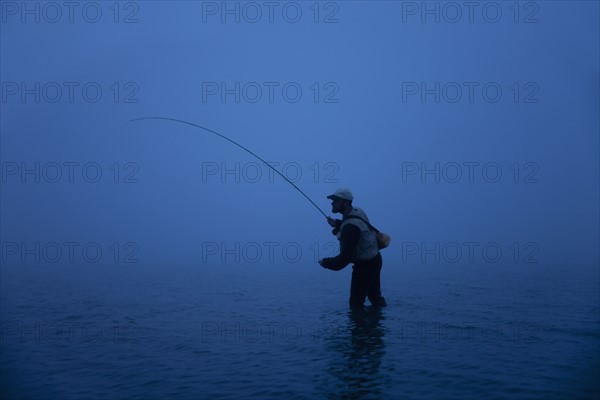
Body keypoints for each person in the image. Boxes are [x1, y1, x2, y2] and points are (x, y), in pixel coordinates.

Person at [318, 188, 387, 308]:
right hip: (375, 258)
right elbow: (356, 225)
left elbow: (343, 260)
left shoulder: (350, 228)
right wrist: (338, 224)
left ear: (345, 202)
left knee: (356, 304)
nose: (332, 203)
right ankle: (377, 323)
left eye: (335, 200)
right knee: (375, 298)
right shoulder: (357, 211)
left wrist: (325, 262)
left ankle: (360, 326)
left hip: (365, 265)